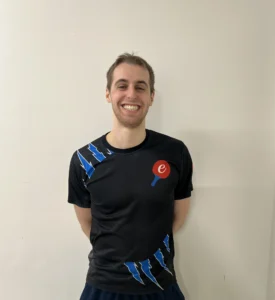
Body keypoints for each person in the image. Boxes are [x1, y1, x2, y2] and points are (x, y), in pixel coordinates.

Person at [68, 53, 193, 300]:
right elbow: (88, 224)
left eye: (141, 87)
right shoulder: (83, 160)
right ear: (108, 94)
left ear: (151, 97)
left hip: (160, 287)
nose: (131, 94)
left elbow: (178, 216)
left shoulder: (175, 153)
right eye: (122, 85)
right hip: (102, 288)